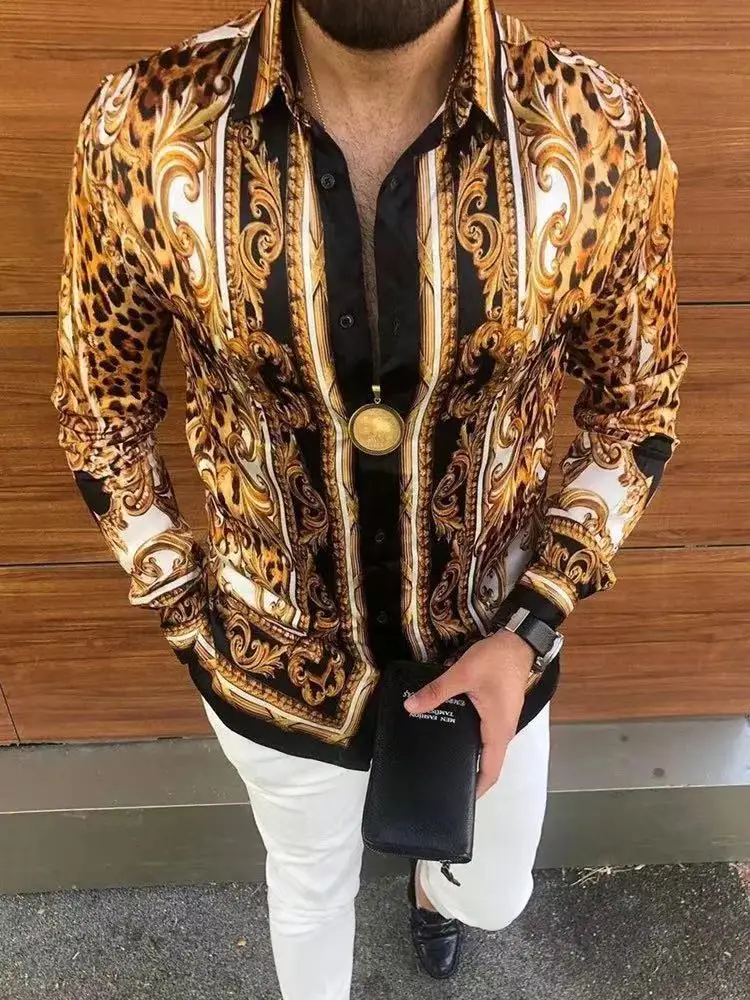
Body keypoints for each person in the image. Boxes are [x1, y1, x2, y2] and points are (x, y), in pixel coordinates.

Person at [51, 0, 687, 996]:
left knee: (493, 894)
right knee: (307, 888)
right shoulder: (144, 125)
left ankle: (437, 890)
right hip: (270, 666)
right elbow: (101, 416)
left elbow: (637, 409)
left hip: (493, 647)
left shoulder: (595, 130)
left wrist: (533, 626)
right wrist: (190, 616)